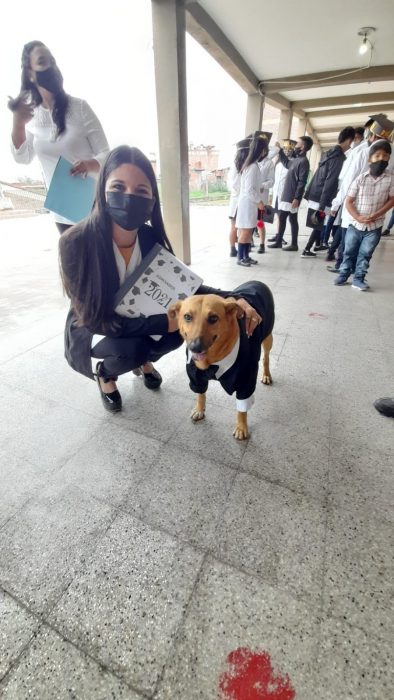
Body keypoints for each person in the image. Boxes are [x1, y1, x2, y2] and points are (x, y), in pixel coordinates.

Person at [59, 145, 263, 412]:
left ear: (152, 200)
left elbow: (188, 289)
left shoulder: (149, 237)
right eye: (118, 187)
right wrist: (161, 322)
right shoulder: (75, 242)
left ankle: (143, 361)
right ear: (102, 190)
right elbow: (95, 319)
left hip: (139, 319)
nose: (129, 197)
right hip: (96, 327)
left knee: (176, 337)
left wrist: (235, 298)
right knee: (130, 349)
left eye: (141, 191)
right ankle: (106, 375)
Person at [9, 41, 109, 233]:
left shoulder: (80, 108)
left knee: (98, 261)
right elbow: (23, 158)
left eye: (52, 61)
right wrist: (18, 123)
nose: (51, 67)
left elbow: (107, 154)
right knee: (71, 262)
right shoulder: (31, 115)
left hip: (92, 206)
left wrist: (89, 164)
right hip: (62, 212)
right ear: (30, 73)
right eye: (42, 62)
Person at [327, 114, 394, 272]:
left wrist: (337, 202)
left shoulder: (363, 152)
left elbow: (349, 179)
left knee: (349, 238)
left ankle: (344, 268)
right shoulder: (390, 156)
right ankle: (351, 269)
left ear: (370, 135)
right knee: (364, 244)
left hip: (354, 203)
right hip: (375, 208)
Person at [334, 140, 394, 291]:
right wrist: (358, 217)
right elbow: (349, 201)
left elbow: (392, 199)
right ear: (369, 159)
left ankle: (358, 279)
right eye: (377, 156)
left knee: (365, 254)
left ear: (389, 159)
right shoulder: (360, 178)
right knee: (349, 251)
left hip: (375, 226)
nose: (381, 159)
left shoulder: (391, 179)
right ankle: (343, 274)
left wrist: (377, 214)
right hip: (355, 224)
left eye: (385, 156)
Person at [301, 127, 355, 258]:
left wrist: (308, 192)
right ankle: (306, 250)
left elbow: (317, 174)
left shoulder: (328, 152)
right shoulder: (339, 158)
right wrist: (322, 205)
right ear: (348, 140)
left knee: (317, 223)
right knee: (318, 224)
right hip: (322, 195)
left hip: (315, 192)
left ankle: (317, 245)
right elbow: (330, 182)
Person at [268, 135, 313, 251]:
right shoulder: (297, 159)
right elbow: (287, 164)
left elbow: (302, 181)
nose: (295, 146)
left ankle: (284, 242)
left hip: (291, 195)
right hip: (288, 194)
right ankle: (292, 244)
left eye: (297, 144)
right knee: (291, 219)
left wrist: (297, 198)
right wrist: (280, 151)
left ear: (302, 146)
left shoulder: (303, 162)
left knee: (284, 218)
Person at [235, 132, 271, 267]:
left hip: (249, 203)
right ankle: (240, 257)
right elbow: (249, 189)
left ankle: (246, 256)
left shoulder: (252, 165)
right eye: (264, 150)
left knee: (249, 230)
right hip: (248, 203)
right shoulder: (252, 167)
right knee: (245, 231)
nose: (265, 152)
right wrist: (259, 202)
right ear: (259, 150)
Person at [267, 139, 296, 245]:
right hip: (276, 193)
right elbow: (274, 179)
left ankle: (280, 236)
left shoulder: (292, 163)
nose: (287, 151)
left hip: (285, 195)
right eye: (285, 149)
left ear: (293, 150)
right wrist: (270, 194)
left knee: (282, 216)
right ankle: (278, 235)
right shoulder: (278, 163)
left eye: (289, 149)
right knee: (278, 216)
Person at [227, 137, 251, 257]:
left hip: (236, 200)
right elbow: (235, 186)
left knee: (235, 227)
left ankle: (233, 249)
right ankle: (235, 250)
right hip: (239, 201)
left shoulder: (235, 165)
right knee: (238, 228)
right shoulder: (240, 166)